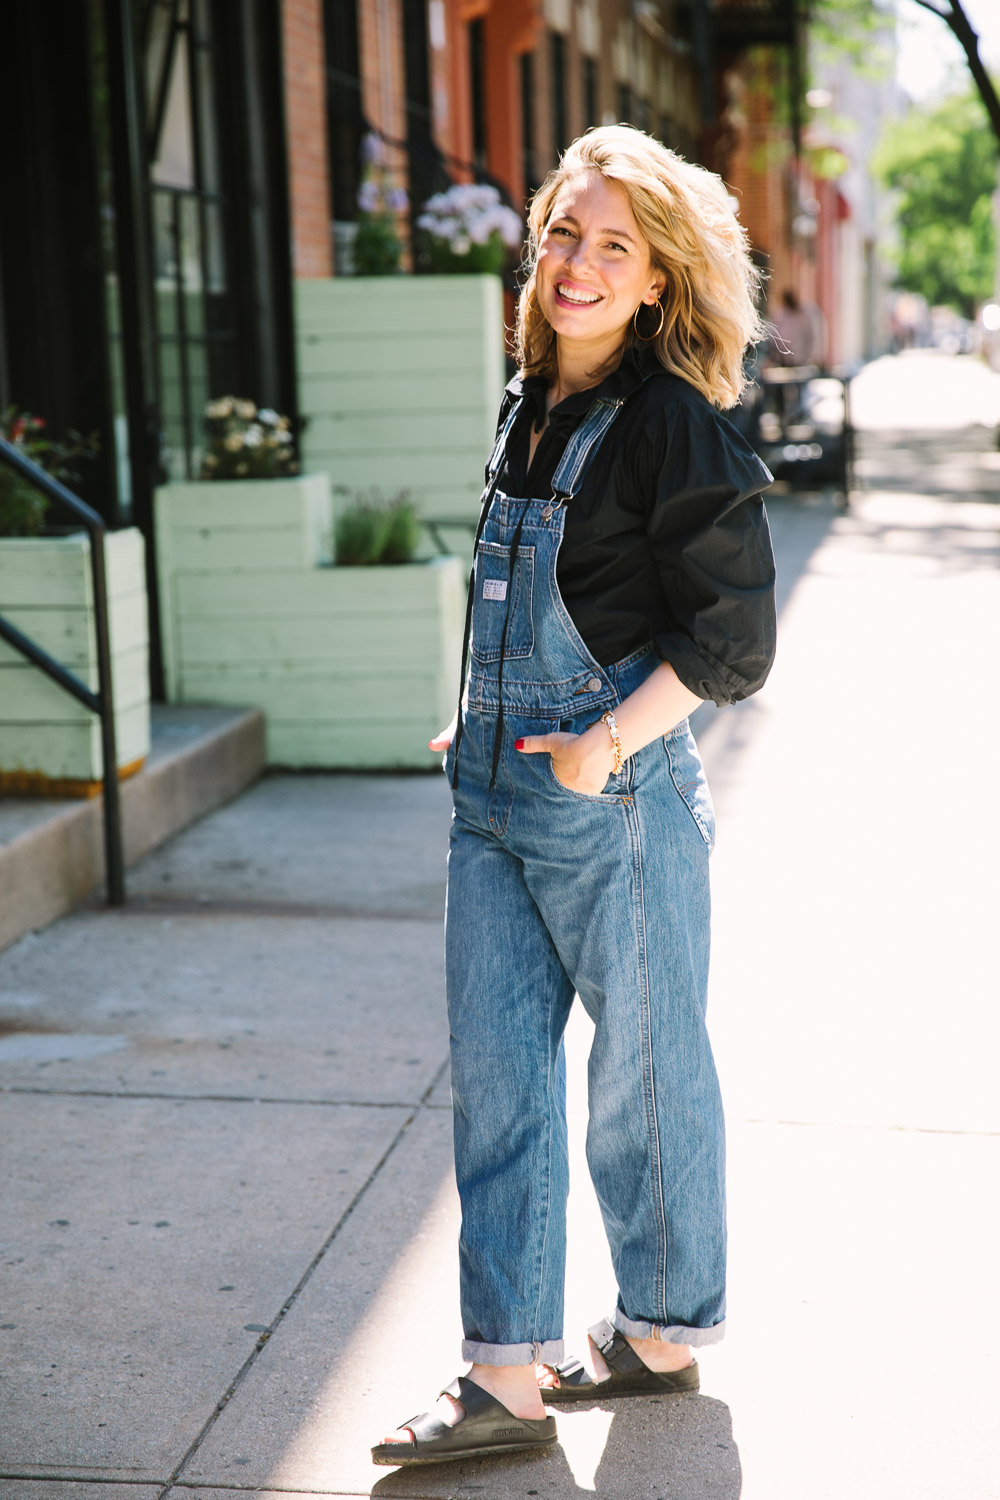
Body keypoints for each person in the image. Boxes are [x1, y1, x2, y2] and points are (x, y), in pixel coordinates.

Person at [372, 124, 776, 1469]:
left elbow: (733, 646)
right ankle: (505, 1376)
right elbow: (529, 588)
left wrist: (604, 740)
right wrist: (477, 709)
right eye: (565, 233)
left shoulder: (675, 424)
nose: (581, 264)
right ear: (535, 242)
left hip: (613, 801)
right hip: (490, 794)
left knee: (645, 1083)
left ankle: (661, 1333)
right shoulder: (526, 393)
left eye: (616, 245)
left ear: (659, 277)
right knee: (498, 1083)